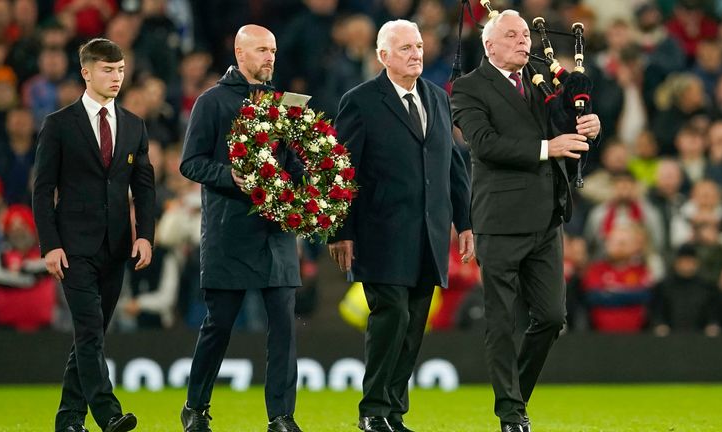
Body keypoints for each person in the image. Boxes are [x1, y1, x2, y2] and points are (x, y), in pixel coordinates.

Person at [450, 10, 601, 432]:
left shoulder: (543, 77)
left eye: (524, 35)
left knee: (552, 317)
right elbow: (483, 144)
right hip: (499, 219)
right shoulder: (467, 88)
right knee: (500, 320)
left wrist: (591, 126)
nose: (524, 41)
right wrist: (545, 148)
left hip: (548, 217)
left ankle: (515, 395)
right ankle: (511, 414)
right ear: (489, 45)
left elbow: (569, 128)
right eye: (512, 35)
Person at [328, 20, 473, 432]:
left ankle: (392, 412)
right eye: (406, 47)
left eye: (419, 46)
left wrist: (465, 221)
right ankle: (373, 410)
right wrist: (341, 230)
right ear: (383, 56)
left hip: (428, 234)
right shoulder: (360, 101)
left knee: (412, 325)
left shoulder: (438, 99)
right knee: (390, 317)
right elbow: (342, 170)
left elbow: (453, 165)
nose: (416, 53)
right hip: (381, 234)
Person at [178, 25, 305, 432]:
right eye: (262, 50)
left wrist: (313, 180)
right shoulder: (212, 102)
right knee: (219, 325)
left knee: (284, 326)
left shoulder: (287, 104)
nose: (270, 57)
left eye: (274, 50)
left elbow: (296, 164)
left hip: (277, 235)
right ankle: (195, 408)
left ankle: (282, 417)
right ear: (239, 52)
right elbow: (190, 162)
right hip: (229, 231)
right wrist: (232, 175)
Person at [32, 38, 155, 432]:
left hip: (117, 247)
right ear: (86, 72)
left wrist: (145, 235)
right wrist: (50, 244)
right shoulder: (59, 124)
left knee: (92, 336)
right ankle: (109, 414)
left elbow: (145, 187)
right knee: (89, 331)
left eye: (119, 70)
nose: (116, 77)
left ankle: (68, 419)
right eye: (107, 69)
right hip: (72, 248)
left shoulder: (135, 125)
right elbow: (42, 189)